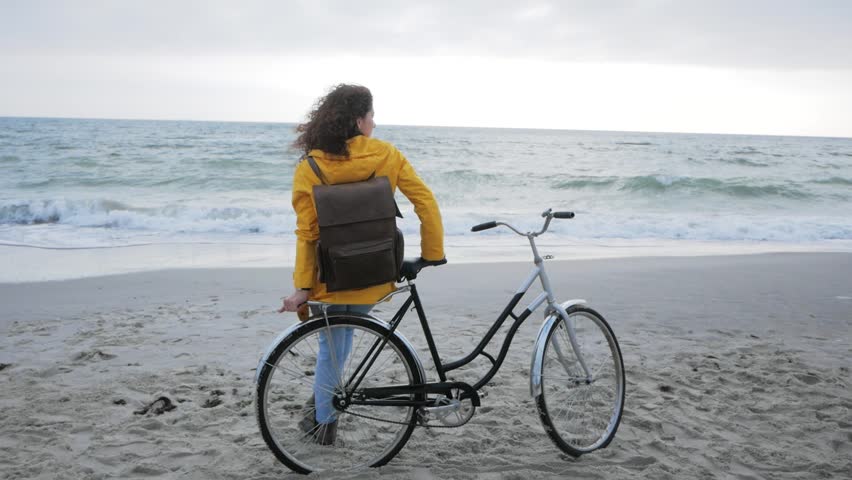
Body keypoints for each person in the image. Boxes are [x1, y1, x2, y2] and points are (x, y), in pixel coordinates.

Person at [278, 84, 445, 444]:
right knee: (346, 337)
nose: (374, 122)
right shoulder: (388, 155)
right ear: (358, 120)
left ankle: (324, 425)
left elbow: (307, 234)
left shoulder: (310, 167)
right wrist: (432, 252)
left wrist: (303, 288)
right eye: (371, 116)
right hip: (376, 273)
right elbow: (425, 203)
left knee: (333, 347)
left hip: (330, 279)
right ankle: (322, 411)